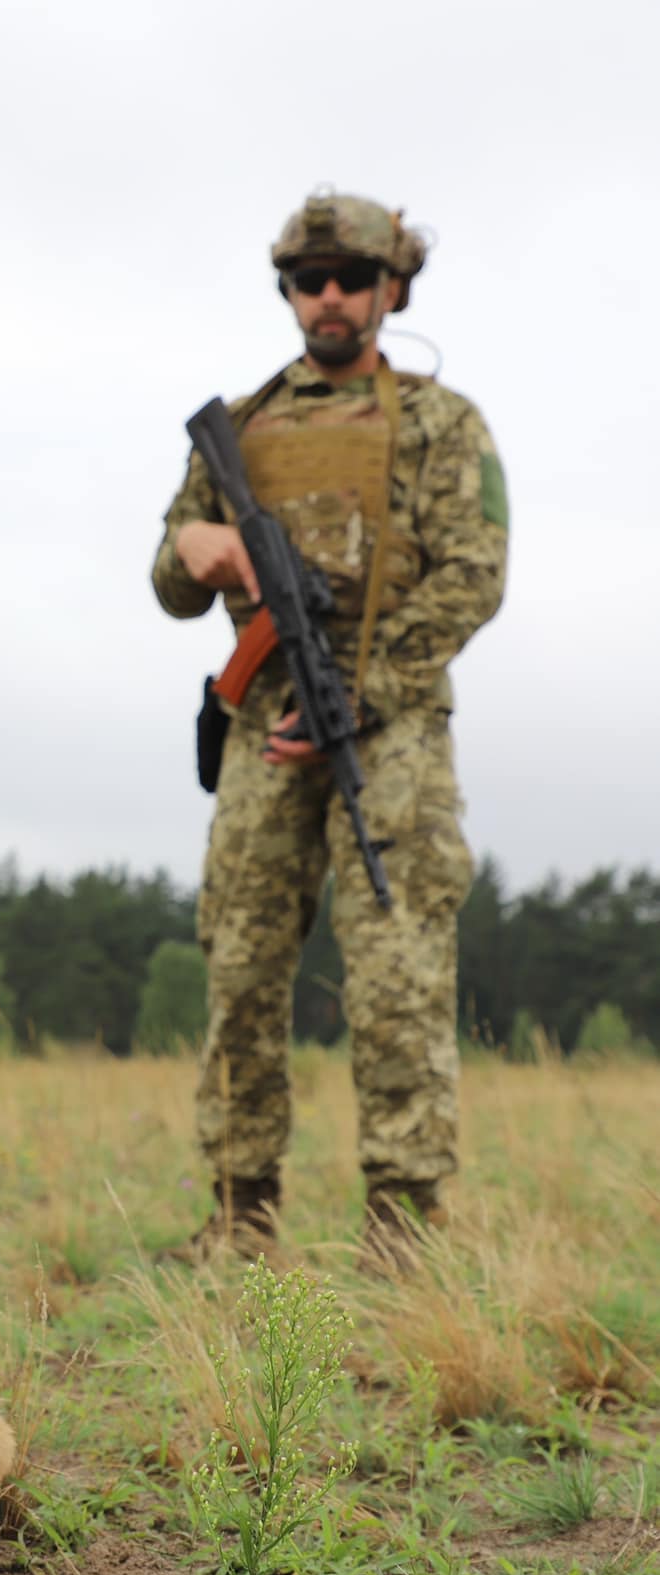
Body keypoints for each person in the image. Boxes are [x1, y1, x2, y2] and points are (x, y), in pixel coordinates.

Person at [151, 191, 508, 1264]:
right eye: (308, 279)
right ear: (289, 291)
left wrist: (362, 690)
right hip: (264, 725)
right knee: (239, 966)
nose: (329, 296)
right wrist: (199, 551)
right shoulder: (242, 425)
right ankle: (236, 1216)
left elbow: (473, 577)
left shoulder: (440, 424)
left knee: (395, 970)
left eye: (350, 276)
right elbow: (169, 573)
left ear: (390, 288)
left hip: (385, 734)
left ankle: (401, 1226)